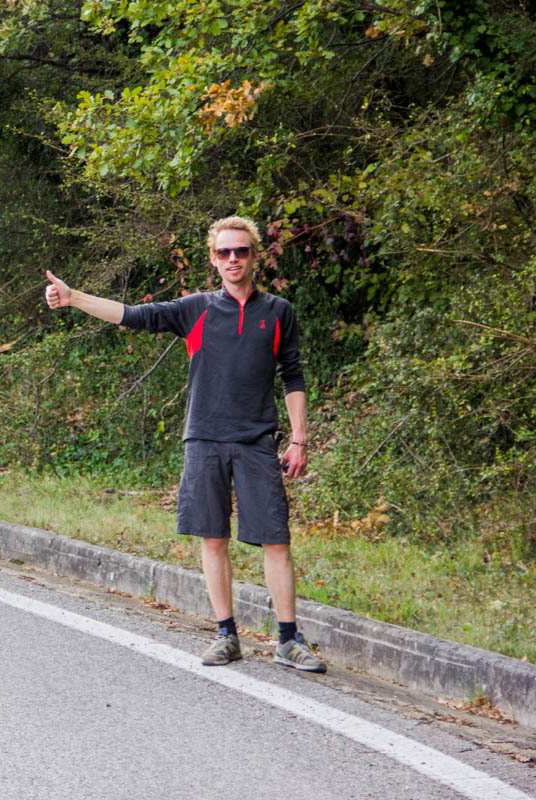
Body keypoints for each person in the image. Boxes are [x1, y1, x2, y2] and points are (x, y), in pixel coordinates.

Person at [43, 216, 325, 672]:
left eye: (242, 252)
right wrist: (74, 299)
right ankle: (226, 635)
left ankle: (288, 640)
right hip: (205, 439)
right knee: (213, 540)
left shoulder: (278, 312)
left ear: (255, 256)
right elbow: (133, 315)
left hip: (257, 441)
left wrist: (298, 438)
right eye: (224, 253)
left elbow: (292, 375)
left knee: (276, 541)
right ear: (213, 259)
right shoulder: (196, 309)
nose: (233, 259)